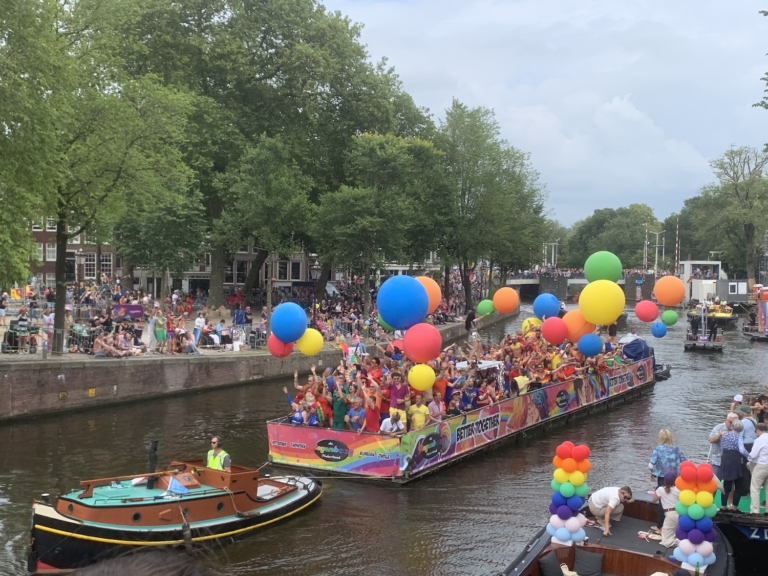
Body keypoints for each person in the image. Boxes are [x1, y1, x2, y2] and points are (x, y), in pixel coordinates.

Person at [648, 429, 686, 532]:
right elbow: (684, 462)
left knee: (663, 501)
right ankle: (675, 524)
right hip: (676, 478)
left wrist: (652, 473)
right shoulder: (677, 448)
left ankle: (660, 526)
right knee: (675, 499)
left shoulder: (658, 449)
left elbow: (651, 464)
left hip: (662, 477)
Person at [720, 419, 750, 510]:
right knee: (738, 484)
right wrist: (749, 456)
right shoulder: (738, 437)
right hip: (735, 460)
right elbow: (742, 450)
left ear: (732, 426)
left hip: (725, 459)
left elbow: (722, 447)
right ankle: (734, 506)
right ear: (741, 429)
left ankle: (723, 506)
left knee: (726, 484)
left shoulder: (724, 435)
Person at [652, 471, 680, 547]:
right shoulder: (679, 490)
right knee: (670, 531)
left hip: (670, 515)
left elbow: (654, 500)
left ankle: (682, 543)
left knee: (665, 541)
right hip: (680, 514)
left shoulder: (660, 489)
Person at [709, 412, 739, 480]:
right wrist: (720, 435)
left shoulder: (738, 429)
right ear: (726, 420)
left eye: (734, 423)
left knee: (728, 482)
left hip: (730, 461)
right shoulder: (718, 427)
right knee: (715, 481)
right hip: (717, 459)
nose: (732, 425)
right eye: (730, 422)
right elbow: (711, 440)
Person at [749, 423, 768, 514]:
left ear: (758, 430)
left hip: (762, 465)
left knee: (755, 489)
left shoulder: (759, 440)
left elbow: (753, 455)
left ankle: (755, 511)